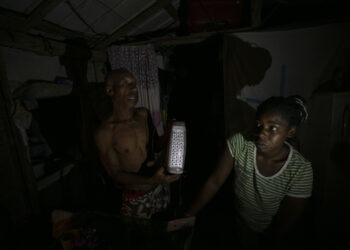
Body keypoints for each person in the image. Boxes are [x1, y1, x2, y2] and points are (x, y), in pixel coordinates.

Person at [185, 95, 313, 249]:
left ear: (290, 131)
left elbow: (287, 219)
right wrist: (188, 215)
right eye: (259, 125)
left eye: (273, 128)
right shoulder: (240, 143)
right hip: (241, 222)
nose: (261, 134)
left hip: (275, 233)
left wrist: (269, 241)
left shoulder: (300, 170)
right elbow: (215, 181)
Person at [94, 68, 180, 219]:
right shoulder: (105, 132)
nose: (133, 88)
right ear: (110, 90)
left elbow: (154, 147)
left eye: (133, 83)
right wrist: (151, 180)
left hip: (161, 187)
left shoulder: (143, 114)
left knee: (165, 227)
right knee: (141, 238)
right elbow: (115, 174)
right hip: (138, 196)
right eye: (125, 83)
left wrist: (168, 137)